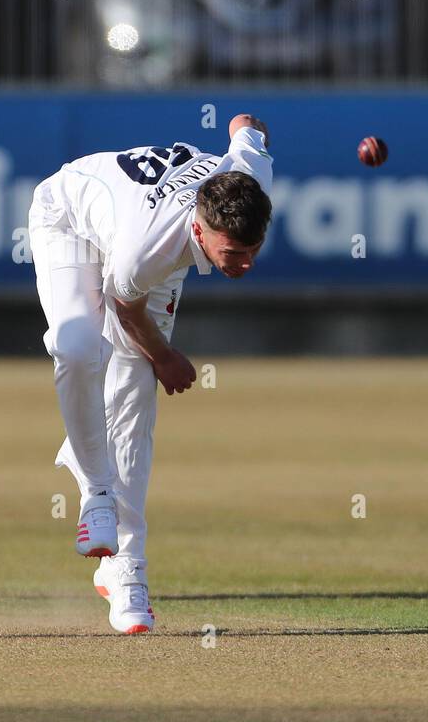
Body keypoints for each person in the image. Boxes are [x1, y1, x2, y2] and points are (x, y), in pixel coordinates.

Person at [28, 114, 273, 634]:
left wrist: (246, 133)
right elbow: (125, 305)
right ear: (201, 231)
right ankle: (95, 490)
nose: (246, 263)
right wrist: (166, 357)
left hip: (145, 247)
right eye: (233, 253)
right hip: (70, 220)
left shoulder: (251, 181)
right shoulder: (148, 250)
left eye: (254, 250)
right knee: (77, 350)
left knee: (132, 403)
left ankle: (128, 571)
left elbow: (246, 124)